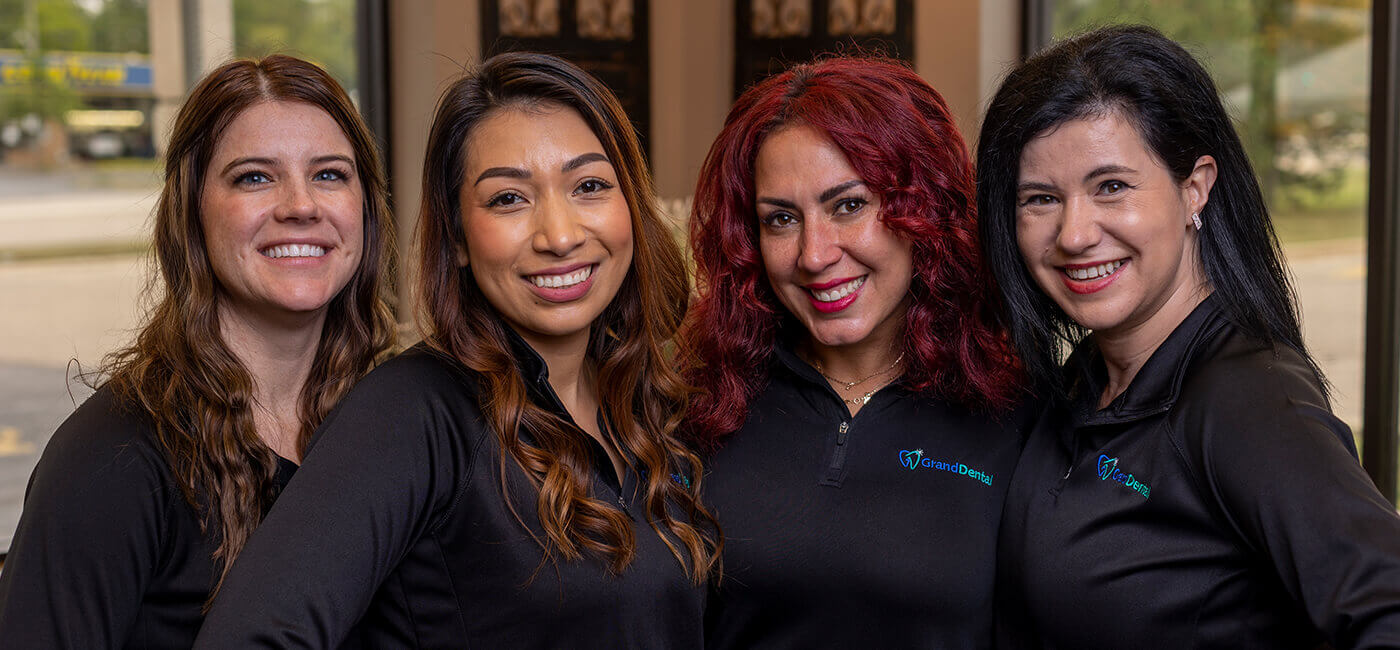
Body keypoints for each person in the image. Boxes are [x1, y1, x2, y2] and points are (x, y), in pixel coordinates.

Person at [193, 52, 722, 649]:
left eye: (590, 186)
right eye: (508, 200)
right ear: (459, 239)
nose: (561, 235)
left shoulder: (648, 406)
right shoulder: (413, 412)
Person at [978, 25, 1400, 649]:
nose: (1073, 234)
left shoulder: (1248, 399)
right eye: (1041, 198)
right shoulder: (1085, 382)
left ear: (1195, 186)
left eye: (1111, 187)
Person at [0, 54, 396, 648]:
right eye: (254, 177)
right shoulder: (114, 459)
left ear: (365, 206)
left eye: (330, 174)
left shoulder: (392, 424)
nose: (301, 204)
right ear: (192, 211)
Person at [679, 56, 1026, 648]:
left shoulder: (1018, 410)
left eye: (848, 205)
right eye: (781, 219)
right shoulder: (695, 405)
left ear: (926, 209)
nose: (814, 254)